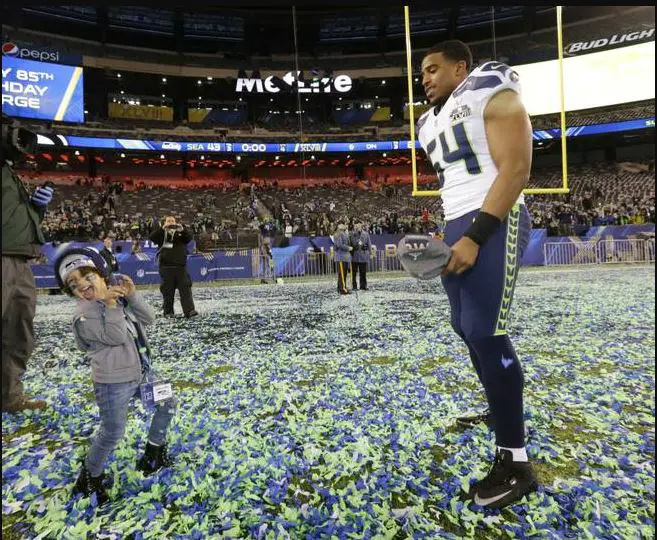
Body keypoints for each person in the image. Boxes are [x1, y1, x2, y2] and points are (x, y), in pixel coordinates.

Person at [418, 40, 535, 508]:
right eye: (421, 71)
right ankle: (499, 409)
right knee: (465, 328)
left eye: (432, 68)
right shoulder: (430, 121)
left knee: (487, 332)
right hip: (457, 224)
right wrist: (450, 235)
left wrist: (476, 235)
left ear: (460, 67)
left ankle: (516, 464)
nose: (424, 77)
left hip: (494, 218)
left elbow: (517, 168)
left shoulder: (493, 89)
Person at [54, 247, 176, 504]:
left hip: (142, 373)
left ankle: (153, 453)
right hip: (114, 383)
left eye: (87, 276)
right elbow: (116, 336)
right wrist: (111, 305)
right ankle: (89, 477)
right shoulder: (84, 314)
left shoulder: (117, 299)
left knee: (167, 403)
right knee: (112, 432)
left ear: (101, 274)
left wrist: (132, 296)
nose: (83, 285)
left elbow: (150, 318)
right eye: (74, 284)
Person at [1, 117, 51, 413]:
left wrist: (37, 207)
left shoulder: (9, 173)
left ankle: (10, 397)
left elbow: (16, 220)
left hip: (19, 257)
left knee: (19, 332)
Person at [149, 216, 198, 318]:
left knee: (185, 290)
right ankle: (168, 312)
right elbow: (152, 237)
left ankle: (189, 311)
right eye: (168, 221)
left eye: (172, 221)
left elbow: (189, 238)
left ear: (176, 223)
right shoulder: (161, 234)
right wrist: (162, 228)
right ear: (164, 223)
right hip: (166, 268)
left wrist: (182, 230)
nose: (171, 223)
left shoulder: (180, 234)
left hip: (181, 267)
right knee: (167, 291)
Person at [350, 222, 371, 291]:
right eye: (357, 226)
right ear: (355, 226)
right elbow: (352, 243)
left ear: (361, 226)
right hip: (355, 256)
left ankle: (363, 286)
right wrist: (357, 241)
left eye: (359, 226)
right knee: (354, 273)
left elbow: (369, 244)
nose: (358, 227)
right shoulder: (352, 234)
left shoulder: (366, 234)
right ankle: (354, 286)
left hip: (363, 256)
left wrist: (370, 253)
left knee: (363, 273)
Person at [333, 223, 352, 295]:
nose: (343, 226)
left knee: (344, 273)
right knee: (342, 274)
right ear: (338, 226)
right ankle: (342, 289)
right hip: (341, 257)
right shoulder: (338, 234)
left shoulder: (344, 233)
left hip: (345, 257)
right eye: (341, 224)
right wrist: (348, 248)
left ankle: (341, 287)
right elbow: (339, 245)